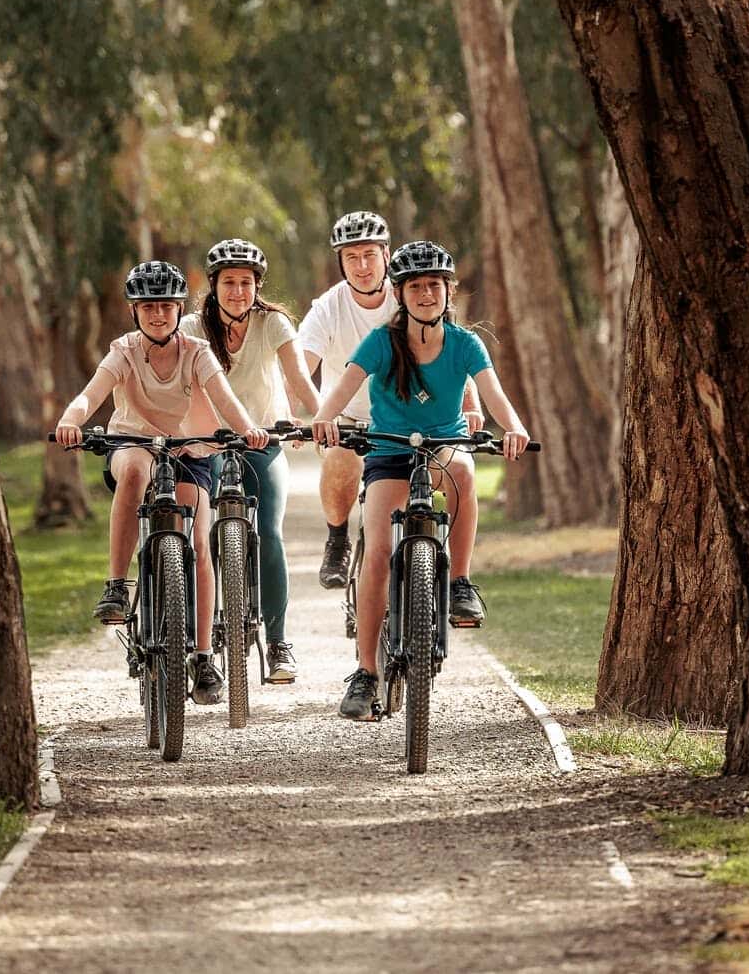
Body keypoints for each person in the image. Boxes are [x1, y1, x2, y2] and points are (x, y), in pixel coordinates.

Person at [309, 241, 531, 721]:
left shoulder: (464, 343)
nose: (427, 293)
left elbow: (494, 394)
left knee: (464, 471)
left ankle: (460, 583)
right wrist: (324, 420)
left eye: (435, 285)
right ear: (401, 293)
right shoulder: (382, 342)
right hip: (389, 449)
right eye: (416, 286)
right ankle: (366, 673)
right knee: (379, 556)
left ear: (448, 292)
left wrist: (513, 427)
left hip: (443, 444)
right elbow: (345, 385)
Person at [53, 261, 269, 707]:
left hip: (190, 450)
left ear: (178, 310)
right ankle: (116, 584)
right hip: (134, 443)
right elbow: (90, 394)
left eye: (167, 307)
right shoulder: (124, 351)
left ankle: (205, 656)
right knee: (133, 469)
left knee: (202, 543)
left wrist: (248, 429)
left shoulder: (196, 351)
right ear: (135, 312)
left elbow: (226, 400)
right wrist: (71, 420)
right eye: (148, 307)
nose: (158, 316)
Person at [296, 212, 482, 589]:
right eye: (351, 257)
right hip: (346, 417)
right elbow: (301, 368)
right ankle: (336, 539)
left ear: (386, 254)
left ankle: (448, 572)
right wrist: (313, 417)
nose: (362, 266)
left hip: (409, 419)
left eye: (369, 255)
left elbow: (453, 353)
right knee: (339, 459)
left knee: (451, 471)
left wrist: (471, 404)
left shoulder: (410, 295)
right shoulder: (328, 309)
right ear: (340, 262)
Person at [181, 238, 322, 685]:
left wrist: (322, 421)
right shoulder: (191, 326)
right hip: (209, 442)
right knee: (196, 533)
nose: (237, 291)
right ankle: (192, 637)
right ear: (214, 286)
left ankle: (279, 643)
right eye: (228, 282)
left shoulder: (274, 323)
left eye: (246, 282)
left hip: (265, 438)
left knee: (271, 531)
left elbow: (300, 380)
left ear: (257, 286)